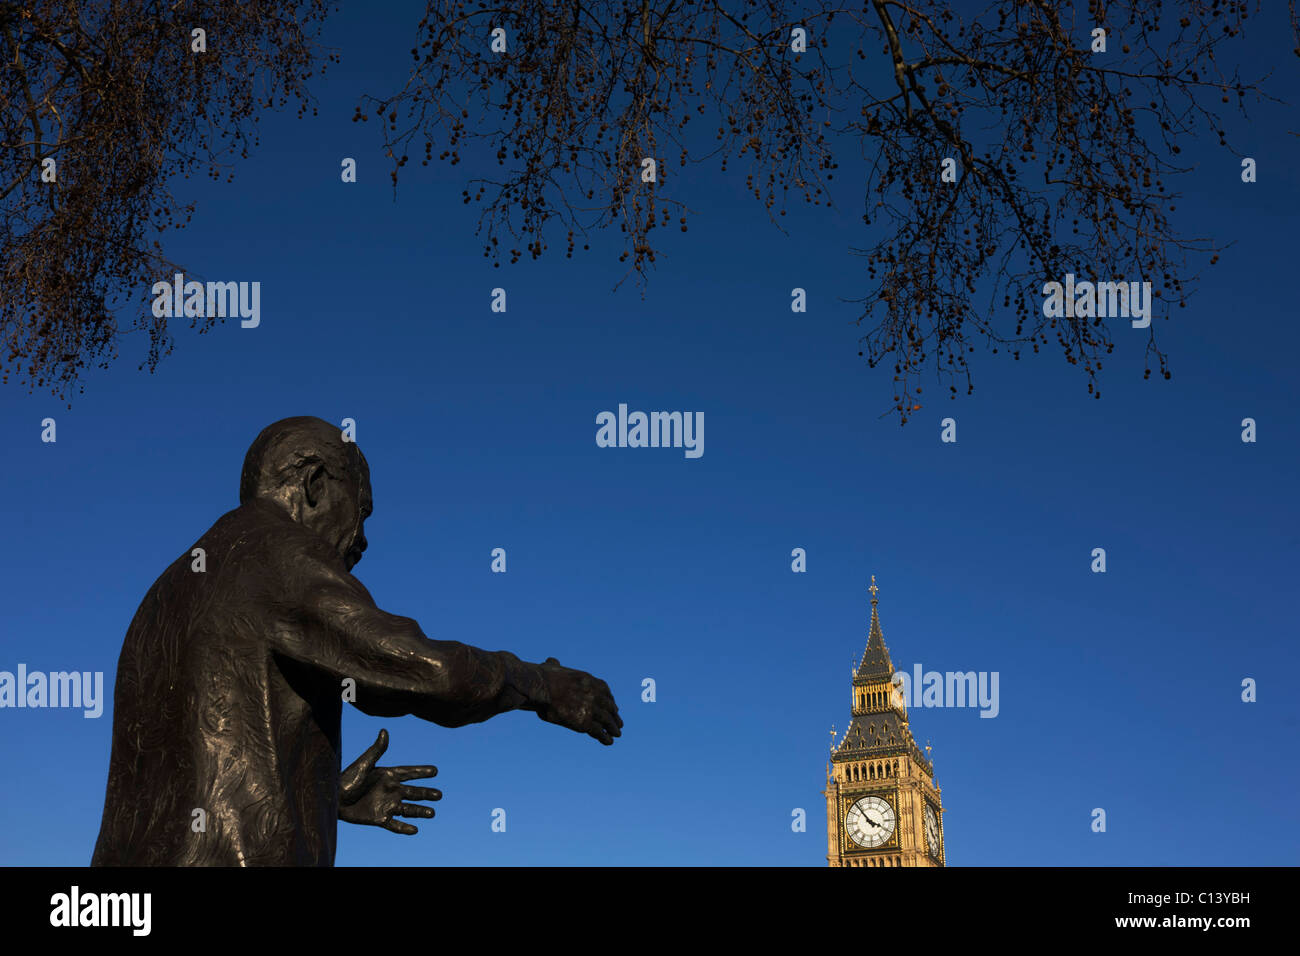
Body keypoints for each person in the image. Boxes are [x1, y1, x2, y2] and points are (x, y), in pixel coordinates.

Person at [91, 416, 621, 865]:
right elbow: (433, 673)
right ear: (315, 484)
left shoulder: (168, 593)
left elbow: (197, 767)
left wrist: (324, 796)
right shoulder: (277, 554)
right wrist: (542, 683)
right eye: (361, 510)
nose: (362, 539)